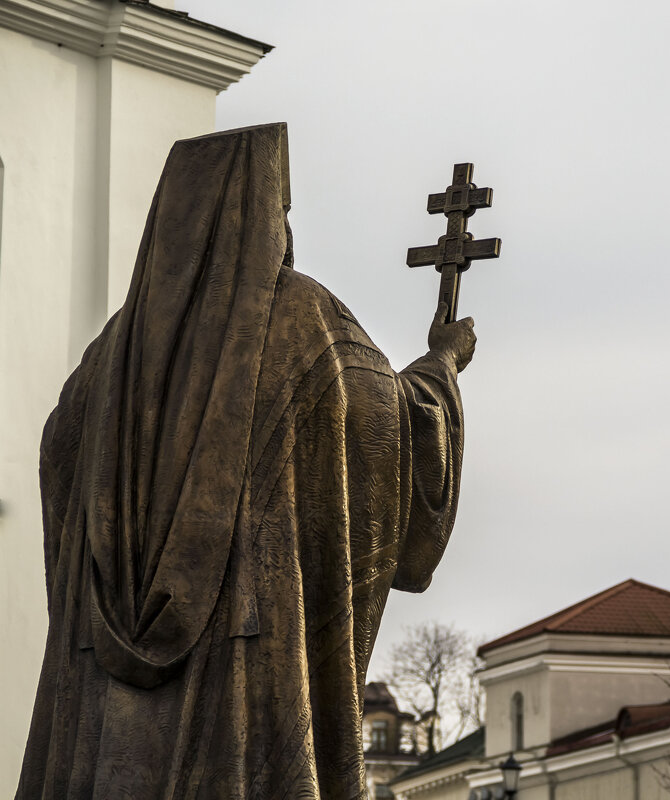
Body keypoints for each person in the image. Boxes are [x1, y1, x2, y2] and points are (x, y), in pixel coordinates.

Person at [18, 123, 476, 798]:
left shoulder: (108, 358)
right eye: (280, 213)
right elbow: (386, 426)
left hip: (103, 705)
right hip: (248, 665)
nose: (286, 233)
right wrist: (441, 366)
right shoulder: (301, 317)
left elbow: (59, 470)